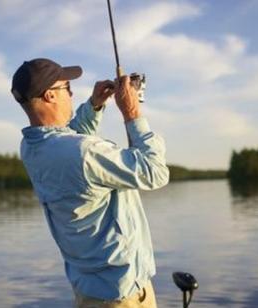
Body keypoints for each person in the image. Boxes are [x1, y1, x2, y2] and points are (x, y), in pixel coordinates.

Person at [11, 58, 169, 307]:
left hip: (90, 293)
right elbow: (154, 172)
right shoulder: (83, 152)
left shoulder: (32, 148)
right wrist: (132, 113)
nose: (72, 94)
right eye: (67, 88)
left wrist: (95, 105)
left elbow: (68, 138)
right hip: (122, 297)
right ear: (51, 95)